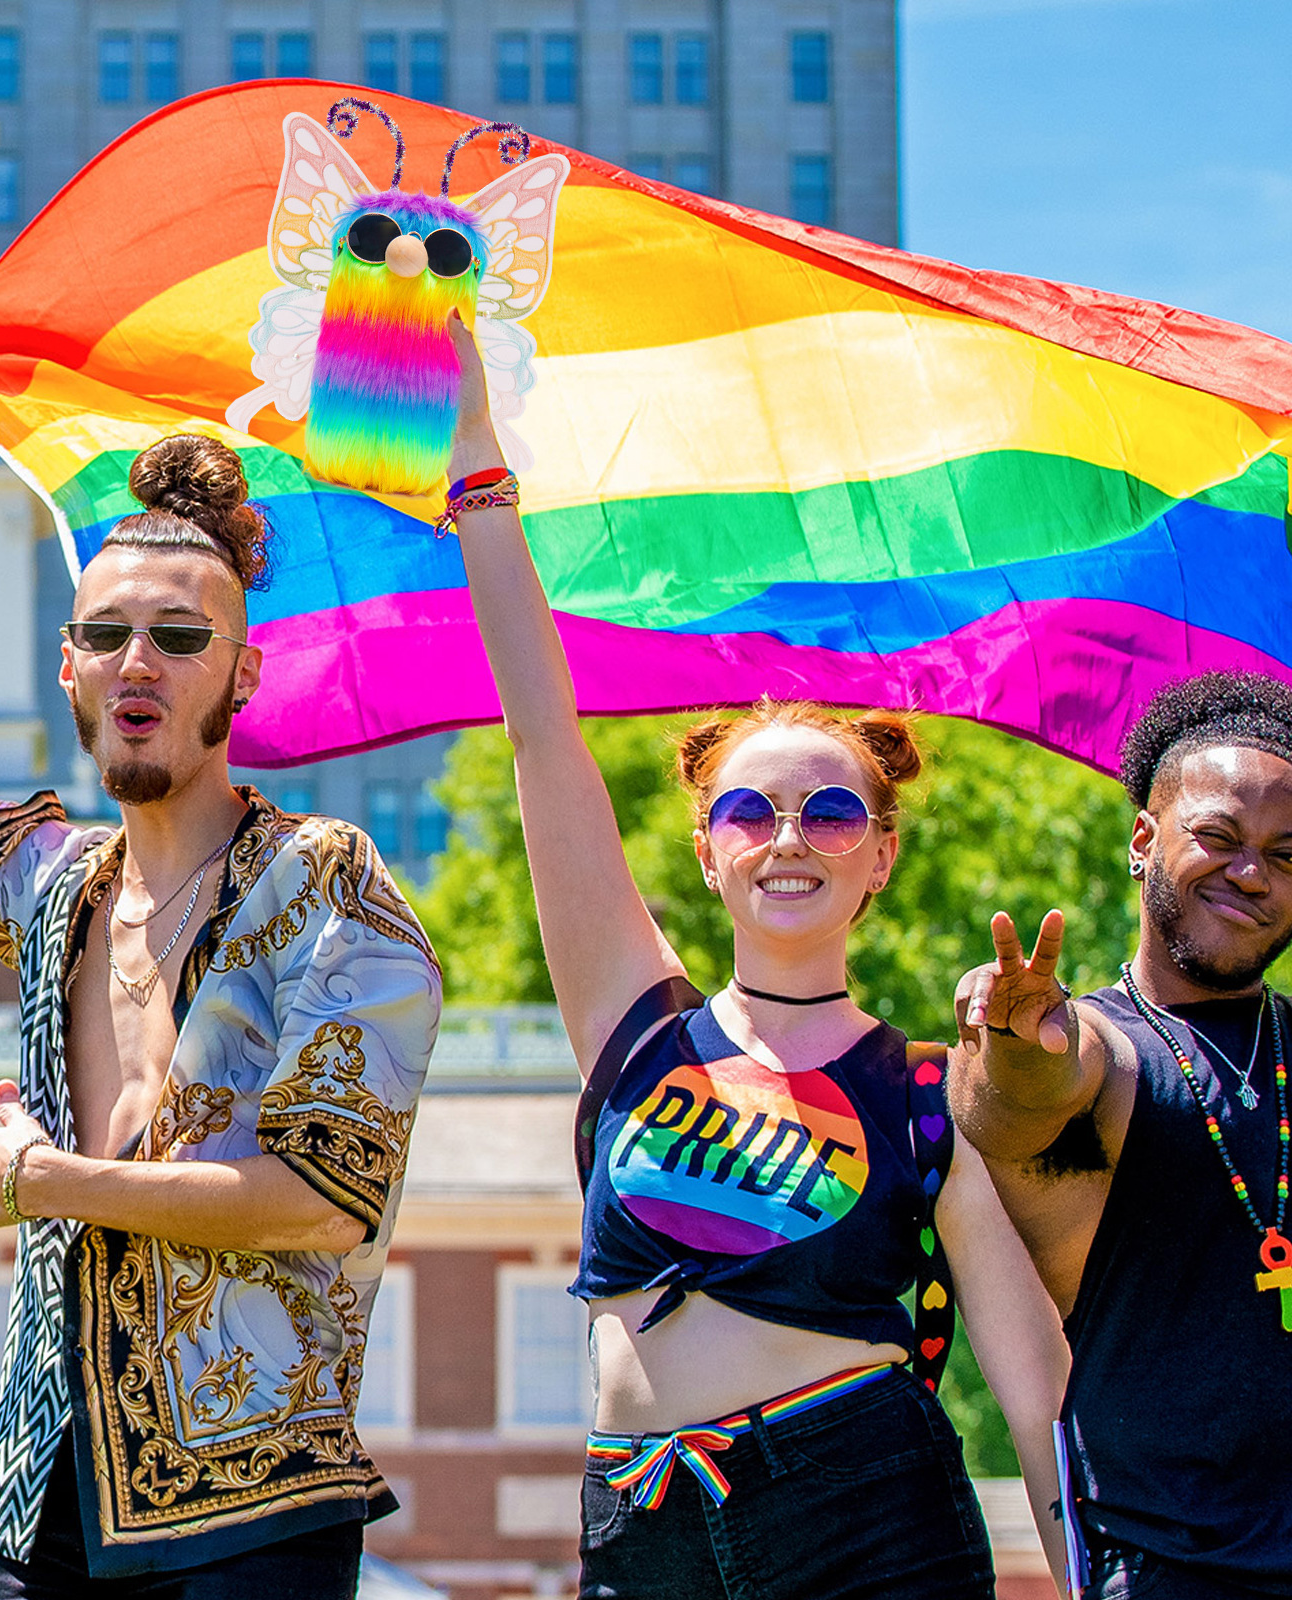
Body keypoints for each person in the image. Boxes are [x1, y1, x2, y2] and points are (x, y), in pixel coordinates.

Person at [0, 319, 441, 1597]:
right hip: (41, 1494)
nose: (141, 659)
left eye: (181, 638)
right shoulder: (49, 885)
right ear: (69, 668)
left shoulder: (328, 880)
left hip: (256, 1500)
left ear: (240, 674)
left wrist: (52, 1181)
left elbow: (318, 1194)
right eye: (108, 633)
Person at [440, 309, 1069, 1598]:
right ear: (709, 849)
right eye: (750, 810)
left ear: (878, 855)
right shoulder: (636, 1026)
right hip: (638, 1529)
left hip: (866, 1514)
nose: (790, 836)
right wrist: (479, 477)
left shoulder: (931, 1093)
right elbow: (545, 736)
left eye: (830, 812)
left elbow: (1040, 1405)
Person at [951, 672, 1292, 1600]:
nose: (1252, 872)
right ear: (1145, 840)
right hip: (1171, 1570)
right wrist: (1017, 1046)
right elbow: (1018, 1111)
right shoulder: (1103, 1049)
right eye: (1218, 837)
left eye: (1284, 854)